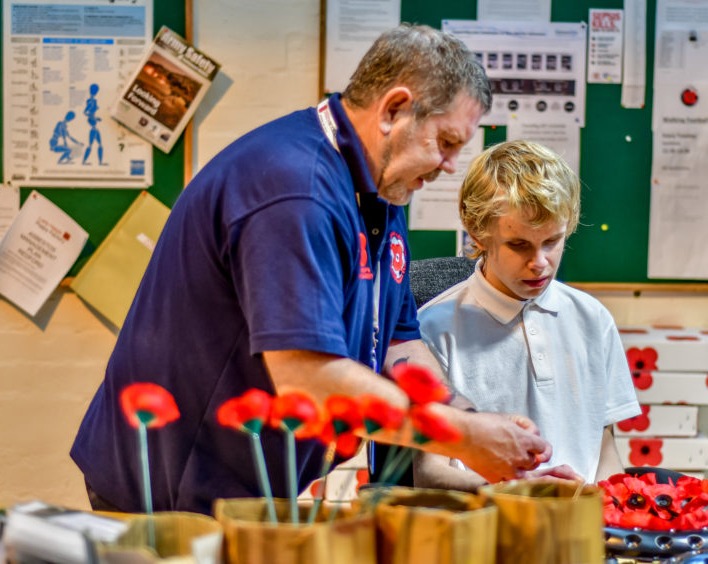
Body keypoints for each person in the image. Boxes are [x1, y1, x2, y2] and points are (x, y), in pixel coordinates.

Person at [71, 25, 552, 515]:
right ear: (393, 110)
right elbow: (312, 381)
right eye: (446, 142)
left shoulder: (380, 190)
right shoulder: (295, 189)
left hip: (252, 485)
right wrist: (465, 437)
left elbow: (398, 343)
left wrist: (482, 426)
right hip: (172, 489)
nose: (451, 165)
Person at [415, 140, 641, 492]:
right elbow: (429, 473)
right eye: (519, 244)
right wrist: (513, 492)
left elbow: (604, 452)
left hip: (575, 527)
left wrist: (602, 500)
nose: (539, 262)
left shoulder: (593, 319)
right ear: (478, 232)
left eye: (552, 241)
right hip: (483, 524)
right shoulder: (431, 330)